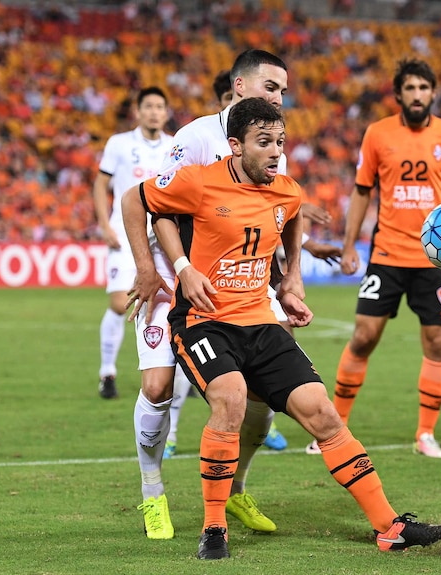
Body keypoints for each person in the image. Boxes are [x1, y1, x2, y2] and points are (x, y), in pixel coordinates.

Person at [123, 96, 441, 560]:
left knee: (323, 413)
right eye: (264, 142)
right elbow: (135, 201)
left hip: (260, 320)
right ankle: (214, 528)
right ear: (235, 146)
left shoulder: (286, 189)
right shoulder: (198, 181)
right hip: (204, 321)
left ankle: (388, 527)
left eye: (280, 141)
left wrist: (291, 280)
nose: (276, 151)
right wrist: (174, 267)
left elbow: (292, 216)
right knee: (231, 399)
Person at [153, 50, 340, 533]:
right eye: (272, 87)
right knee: (156, 386)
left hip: (250, 288)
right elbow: (151, 204)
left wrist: (293, 272)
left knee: (259, 399)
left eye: (283, 91)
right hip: (180, 282)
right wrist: (159, 268)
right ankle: (153, 493)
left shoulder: (269, 138)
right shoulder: (194, 138)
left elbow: (281, 206)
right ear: (240, 86)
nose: (280, 98)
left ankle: (235, 490)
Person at [313, 58, 441, 459]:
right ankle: (333, 430)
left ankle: (425, 435)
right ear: (399, 94)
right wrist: (350, 245)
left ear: (433, 93)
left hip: (436, 261)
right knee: (364, 336)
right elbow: (362, 191)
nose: (417, 94)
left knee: (437, 341)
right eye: (410, 88)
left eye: (424, 88)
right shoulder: (377, 134)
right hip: (386, 254)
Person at [93, 87, 172, 399]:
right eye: (148, 106)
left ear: (166, 113)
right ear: (138, 112)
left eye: (159, 107)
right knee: (118, 303)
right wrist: (103, 223)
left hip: (163, 238)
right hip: (123, 234)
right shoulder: (119, 144)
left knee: (169, 304)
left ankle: (176, 372)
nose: (154, 112)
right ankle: (107, 371)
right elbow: (101, 185)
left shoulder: (175, 145)